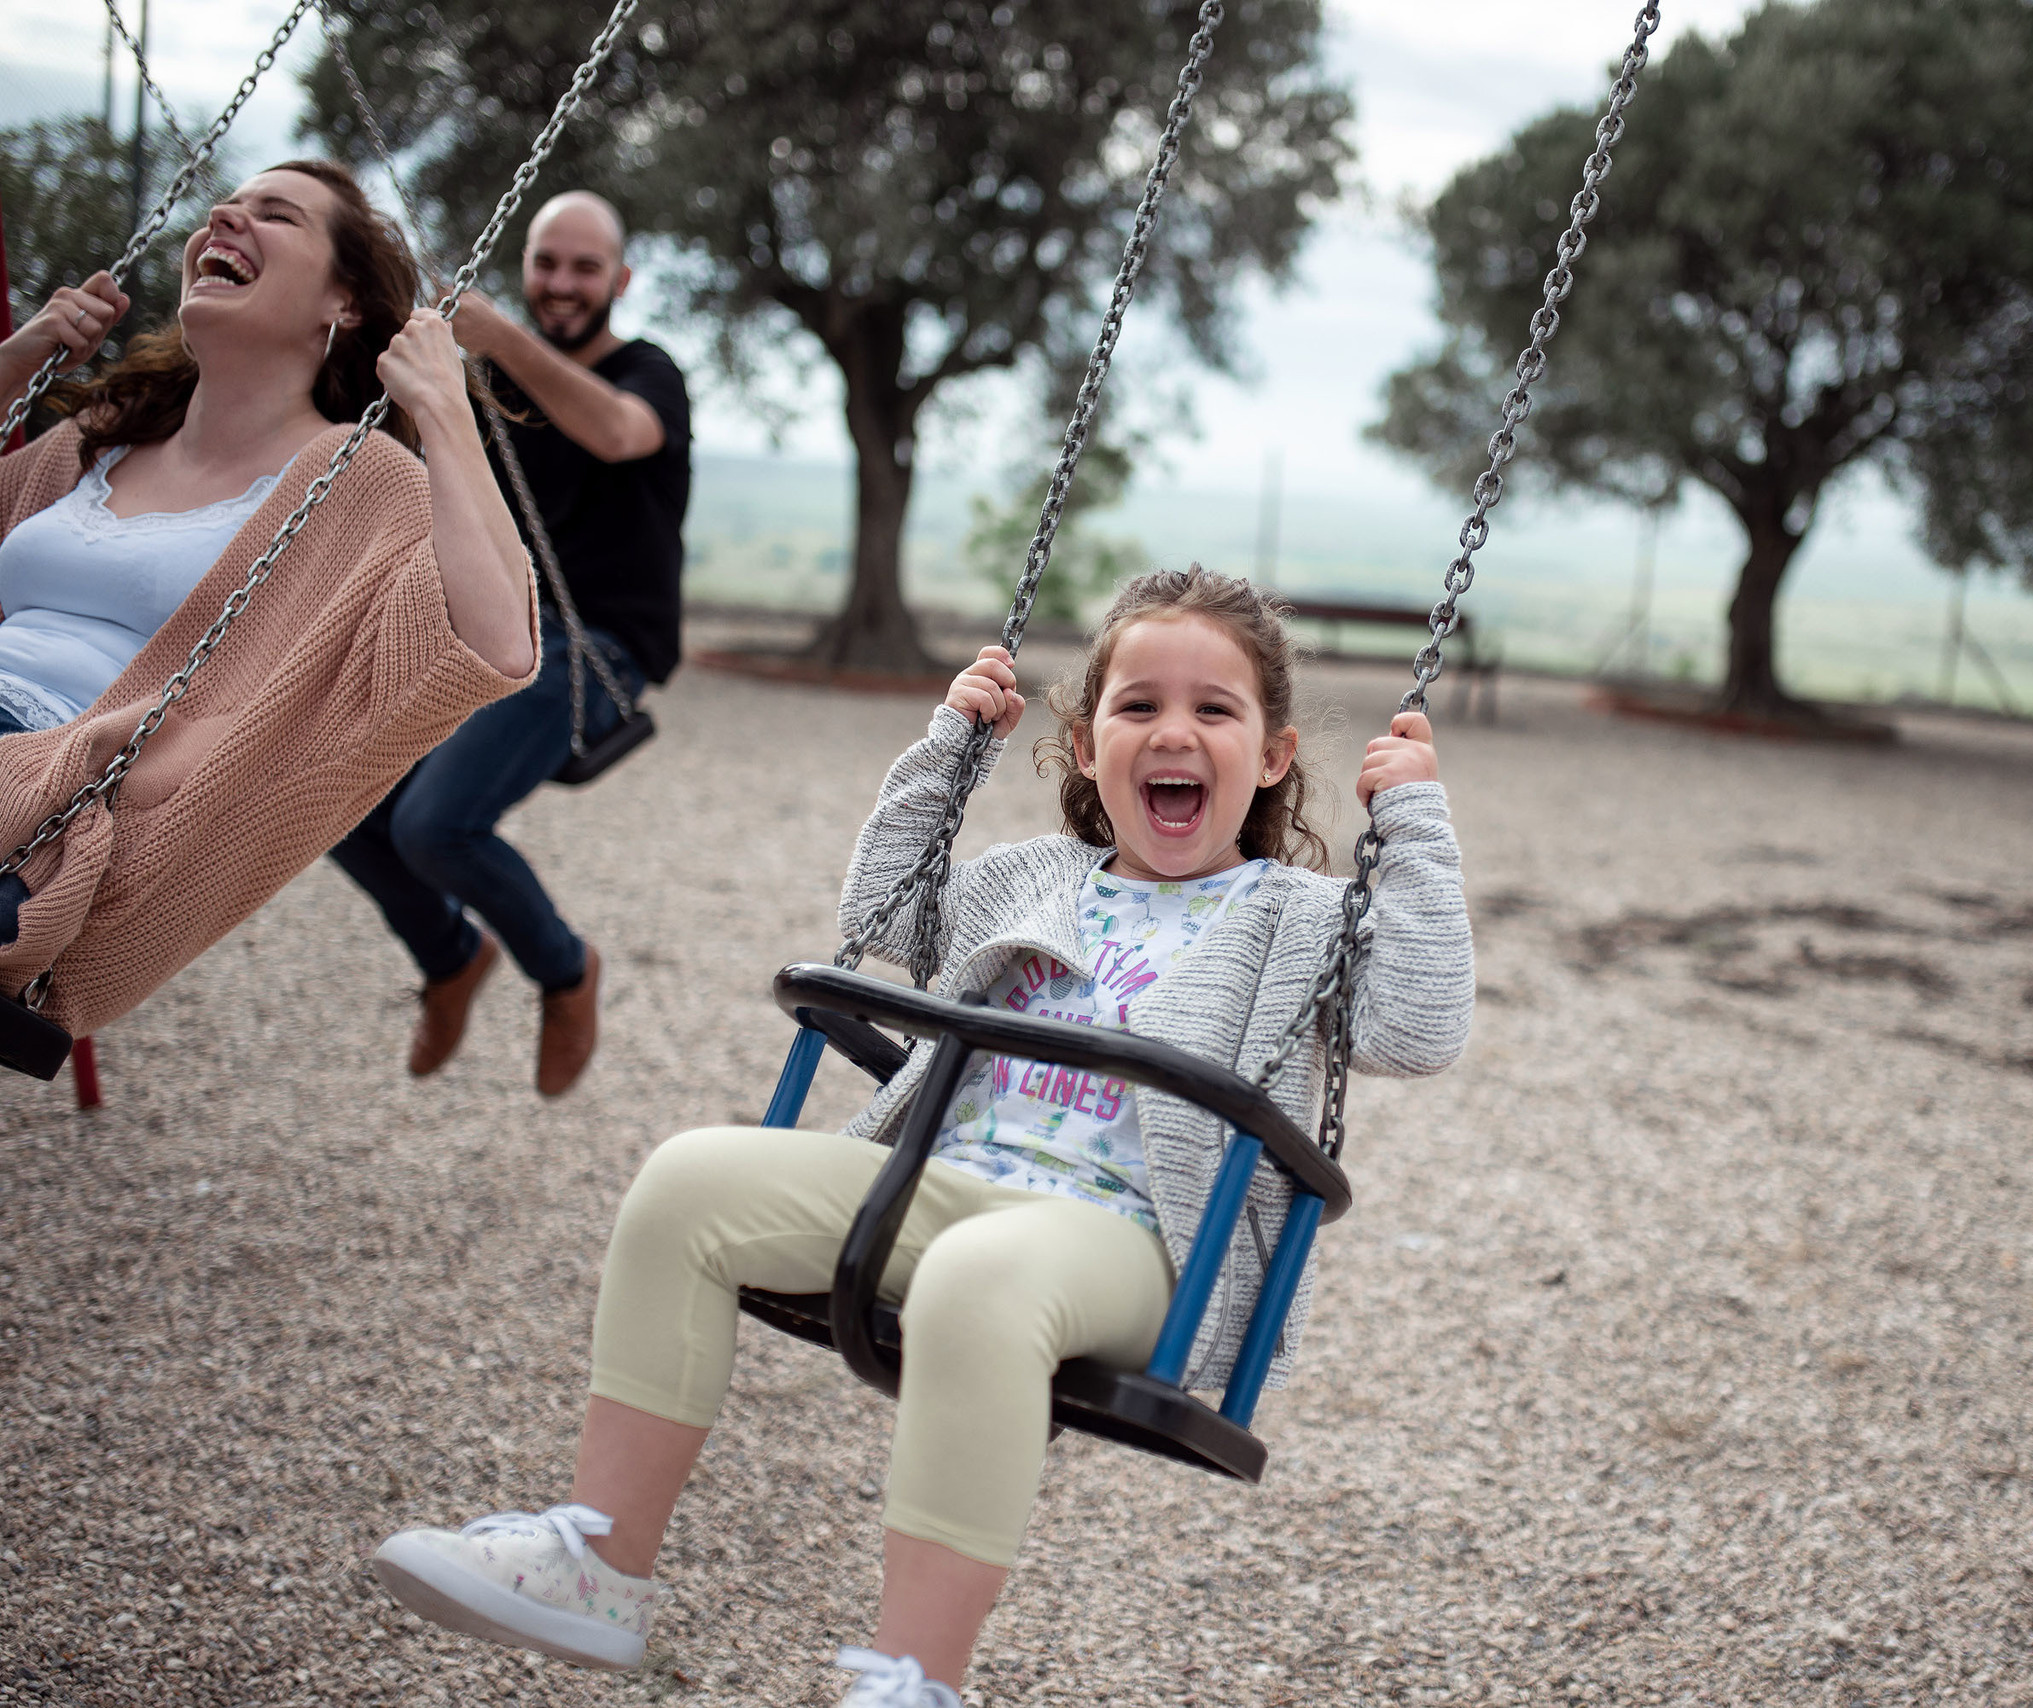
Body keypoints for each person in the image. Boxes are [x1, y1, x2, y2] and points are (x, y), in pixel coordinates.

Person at [367, 569, 1474, 1706]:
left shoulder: (1300, 919)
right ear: (1087, 747)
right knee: (688, 1180)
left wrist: (1416, 823)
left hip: (1139, 1243)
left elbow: (1420, 1023)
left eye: (1214, 709)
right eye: (1137, 707)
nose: (1172, 731)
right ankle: (598, 1561)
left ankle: (912, 1680)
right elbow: (885, 913)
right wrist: (950, 745)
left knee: (977, 1278)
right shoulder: (1025, 878)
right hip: (948, 1184)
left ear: (1275, 755)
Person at [0, 161, 538, 1033]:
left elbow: (497, 644)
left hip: (53, 791)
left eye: (275, 216)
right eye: (227, 205)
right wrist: (19, 360)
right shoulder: (99, 439)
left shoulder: (356, 483)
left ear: (345, 303)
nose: (225, 217)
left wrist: (444, 411)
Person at [327, 189, 690, 1097]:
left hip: (597, 645)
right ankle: (451, 955)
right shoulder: (479, 390)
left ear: (621, 279)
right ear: (524, 265)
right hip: (490, 634)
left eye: (583, 268)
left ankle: (567, 974)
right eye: (546, 263)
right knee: (333, 792)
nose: (561, 285)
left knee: (436, 825)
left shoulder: (651, 373)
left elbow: (615, 432)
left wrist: (494, 341)